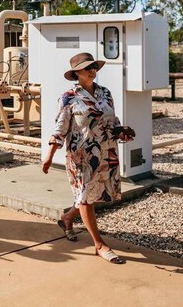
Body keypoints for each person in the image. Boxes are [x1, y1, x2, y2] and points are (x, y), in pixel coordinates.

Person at [41, 52, 136, 264]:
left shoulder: (106, 92)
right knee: (85, 196)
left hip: (106, 152)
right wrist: (49, 156)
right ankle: (99, 244)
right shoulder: (68, 97)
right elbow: (60, 128)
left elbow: (112, 121)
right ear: (77, 73)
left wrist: (122, 132)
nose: (92, 70)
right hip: (81, 156)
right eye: (87, 67)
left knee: (93, 193)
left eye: (94, 66)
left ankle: (67, 218)